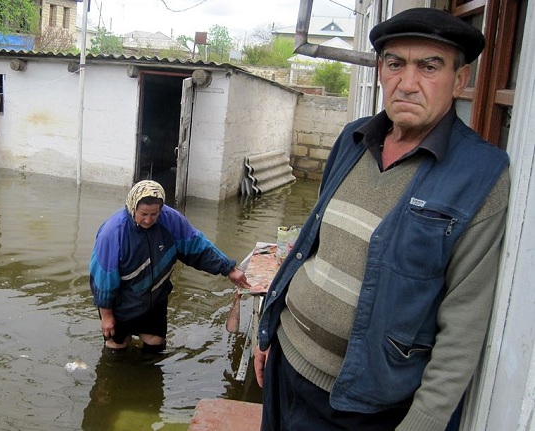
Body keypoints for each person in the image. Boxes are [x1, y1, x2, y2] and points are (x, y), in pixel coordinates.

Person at [253, 8, 510, 431]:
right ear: (380, 70)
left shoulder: (480, 176)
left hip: (360, 408)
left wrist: (423, 422)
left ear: (460, 80)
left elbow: (464, 325)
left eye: (429, 67)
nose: (407, 83)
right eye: (396, 64)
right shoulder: (353, 139)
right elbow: (313, 245)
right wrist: (268, 329)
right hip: (286, 361)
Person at [90, 180, 250, 352]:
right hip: (123, 302)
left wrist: (228, 269)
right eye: (143, 214)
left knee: (156, 344)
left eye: (154, 214)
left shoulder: (171, 220)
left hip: (155, 298)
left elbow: (197, 246)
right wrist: (106, 316)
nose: (148, 220)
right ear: (132, 207)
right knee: (118, 346)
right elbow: (103, 278)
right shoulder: (113, 233)